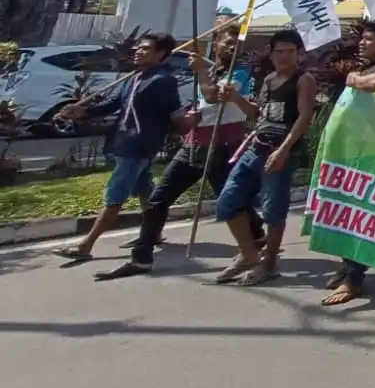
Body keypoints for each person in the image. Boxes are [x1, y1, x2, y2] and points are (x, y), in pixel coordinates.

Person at [92, 28, 265, 279]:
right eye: (226, 43)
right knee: (157, 201)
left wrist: (202, 72)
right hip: (194, 144)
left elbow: (212, 96)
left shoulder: (240, 72)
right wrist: (191, 114)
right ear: (215, 44)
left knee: (231, 202)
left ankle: (255, 239)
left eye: (236, 44)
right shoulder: (212, 69)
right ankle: (141, 258)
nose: (231, 48)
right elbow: (204, 103)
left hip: (221, 146)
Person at [56, 32, 198, 263]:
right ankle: (154, 233)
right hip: (124, 143)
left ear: (161, 54)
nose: (138, 52)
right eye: (138, 48)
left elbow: (176, 116)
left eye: (145, 49)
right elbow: (112, 104)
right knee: (145, 192)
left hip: (139, 147)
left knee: (115, 196)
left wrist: (189, 121)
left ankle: (86, 245)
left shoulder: (162, 81)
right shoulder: (134, 78)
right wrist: (82, 111)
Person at [209, 30, 320, 285]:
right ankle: (249, 254)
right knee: (227, 202)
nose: (284, 56)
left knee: (273, 210)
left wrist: (284, 150)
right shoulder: (268, 79)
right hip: (255, 147)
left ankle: (269, 262)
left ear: (299, 54)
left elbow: (304, 117)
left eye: (290, 51)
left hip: (280, 150)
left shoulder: (304, 80)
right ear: (271, 54)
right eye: (279, 51)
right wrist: (235, 98)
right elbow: (258, 114)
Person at [322, 18, 375, 306]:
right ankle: (347, 264)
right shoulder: (364, 66)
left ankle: (354, 278)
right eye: (363, 38)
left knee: (361, 216)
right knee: (345, 210)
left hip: (374, 154)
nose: (362, 42)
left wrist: (355, 80)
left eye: (369, 38)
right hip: (352, 151)